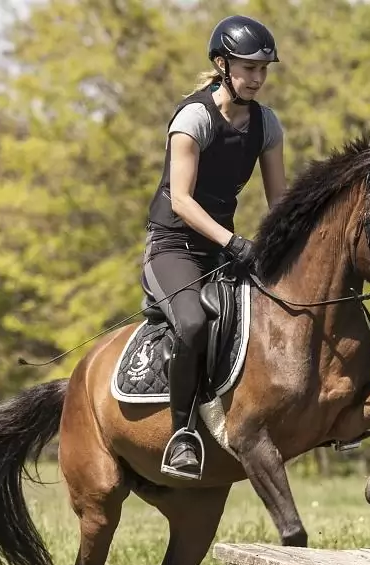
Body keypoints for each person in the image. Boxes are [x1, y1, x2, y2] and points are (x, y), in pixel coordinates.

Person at [141, 15, 287, 478]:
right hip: (172, 248)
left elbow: (279, 201)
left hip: (223, 249)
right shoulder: (194, 118)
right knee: (192, 322)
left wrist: (282, 249)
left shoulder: (267, 124)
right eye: (248, 68)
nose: (257, 78)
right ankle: (182, 433)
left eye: (263, 70)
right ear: (222, 65)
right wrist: (233, 241)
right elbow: (181, 201)